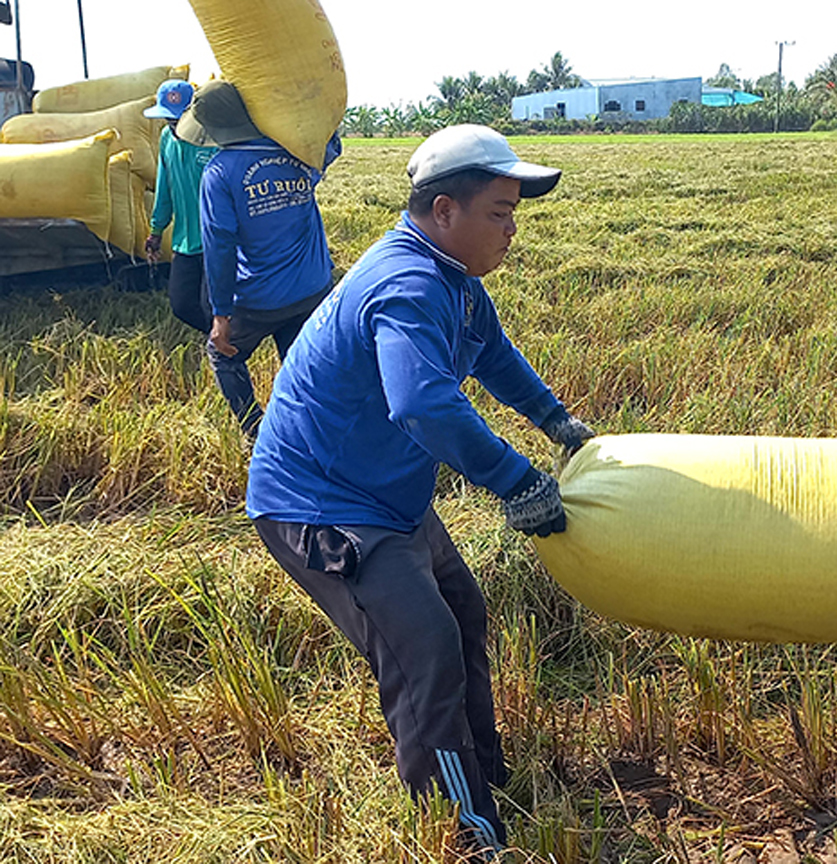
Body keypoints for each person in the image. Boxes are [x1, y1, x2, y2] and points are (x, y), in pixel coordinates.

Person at [245, 123, 595, 858]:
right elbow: (423, 405)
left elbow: (493, 355)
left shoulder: (455, 284)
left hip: (386, 492)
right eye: (498, 213)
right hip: (322, 505)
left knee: (464, 610)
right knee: (426, 652)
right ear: (444, 210)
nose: (510, 232)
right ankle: (467, 836)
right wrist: (516, 479)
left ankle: (482, 773)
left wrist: (556, 421)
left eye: (513, 215)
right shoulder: (406, 283)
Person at [179, 80, 342, 438]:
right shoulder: (295, 152)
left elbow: (220, 245)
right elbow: (330, 147)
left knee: (223, 354)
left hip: (259, 299)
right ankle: (316, 434)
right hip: (313, 289)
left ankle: (256, 432)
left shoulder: (219, 173)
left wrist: (221, 315)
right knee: (305, 367)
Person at [143, 79, 218, 334]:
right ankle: (223, 342)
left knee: (213, 306)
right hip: (185, 241)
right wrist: (156, 231)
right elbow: (165, 188)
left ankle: (223, 353)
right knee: (182, 304)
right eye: (169, 119)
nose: (174, 125)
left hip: (217, 241)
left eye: (179, 119)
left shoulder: (213, 139)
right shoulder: (167, 139)